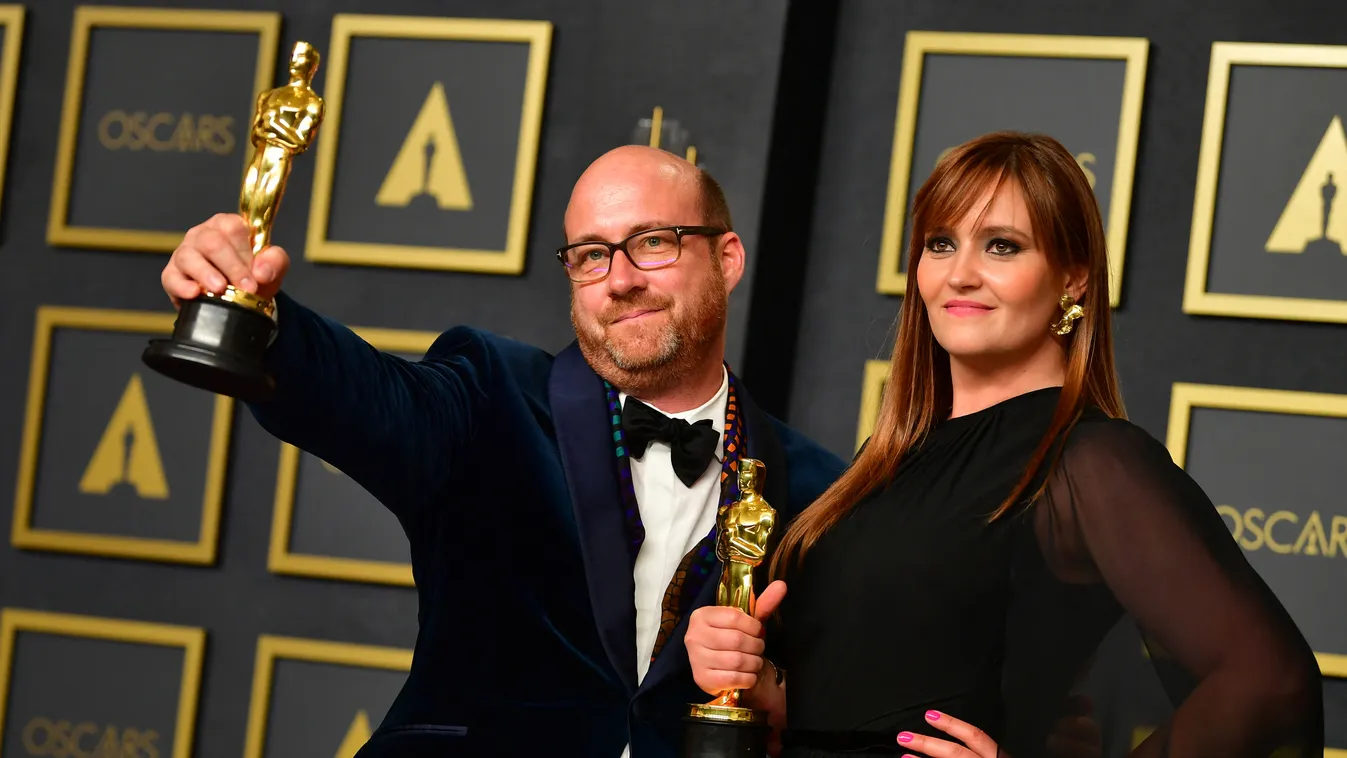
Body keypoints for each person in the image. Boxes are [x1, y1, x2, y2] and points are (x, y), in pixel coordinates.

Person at [159, 145, 846, 757]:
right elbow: (362, 399)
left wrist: (767, 689)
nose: (619, 278)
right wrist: (254, 312)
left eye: (653, 243)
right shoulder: (490, 395)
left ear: (726, 259)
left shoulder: (820, 487)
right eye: (590, 254)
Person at [686, 132, 1324, 757]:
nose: (960, 274)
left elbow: (1269, 684)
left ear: (1072, 279)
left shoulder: (1090, 462)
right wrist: (765, 689)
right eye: (941, 244)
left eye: (1001, 246)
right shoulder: (885, 460)